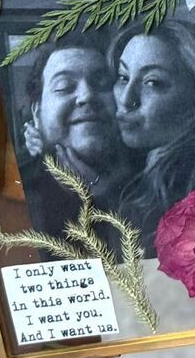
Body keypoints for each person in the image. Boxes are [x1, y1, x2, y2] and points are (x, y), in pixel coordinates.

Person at [110, 18, 195, 253]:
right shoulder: (139, 170)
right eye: (123, 77)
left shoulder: (191, 192)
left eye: (152, 82)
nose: (126, 99)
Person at [17, 36, 141, 239]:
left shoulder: (160, 178)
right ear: (37, 113)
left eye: (102, 83)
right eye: (64, 87)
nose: (87, 95)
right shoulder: (15, 188)